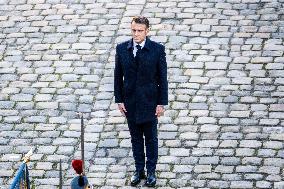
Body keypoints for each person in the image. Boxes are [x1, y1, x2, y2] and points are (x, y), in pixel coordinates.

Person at [114, 16, 168, 187]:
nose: (136, 34)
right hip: (130, 103)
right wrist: (119, 100)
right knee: (135, 139)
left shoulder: (157, 50)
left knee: (151, 139)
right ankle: (139, 170)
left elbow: (162, 79)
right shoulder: (122, 49)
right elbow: (117, 77)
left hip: (150, 103)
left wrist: (161, 103)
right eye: (133, 30)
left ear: (147, 31)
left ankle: (151, 171)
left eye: (139, 31)